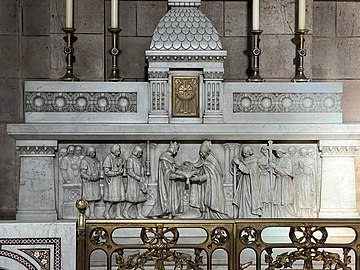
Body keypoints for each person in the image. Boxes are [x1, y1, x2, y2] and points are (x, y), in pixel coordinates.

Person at [190, 140, 227, 219]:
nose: (201, 154)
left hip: (213, 185)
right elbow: (201, 169)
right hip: (206, 185)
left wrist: (199, 178)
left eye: (202, 152)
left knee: (211, 199)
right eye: (200, 152)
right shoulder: (205, 160)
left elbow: (211, 175)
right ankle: (206, 214)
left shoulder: (212, 161)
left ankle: (215, 215)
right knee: (205, 198)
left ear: (207, 152)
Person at [148, 141, 185, 218]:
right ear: (172, 148)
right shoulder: (164, 157)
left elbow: (174, 168)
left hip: (172, 183)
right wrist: (178, 176)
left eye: (177, 149)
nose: (176, 151)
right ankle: (156, 214)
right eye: (176, 149)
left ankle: (170, 214)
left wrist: (181, 169)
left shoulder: (170, 158)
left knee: (172, 198)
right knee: (166, 199)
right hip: (166, 183)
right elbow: (167, 173)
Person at [232, 145, 262, 218]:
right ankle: (243, 215)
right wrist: (235, 167)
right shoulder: (243, 160)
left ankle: (251, 215)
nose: (244, 154)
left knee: (249, 200)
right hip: (243, 183)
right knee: (243, 199)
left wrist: (239, 163)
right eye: (243, 153)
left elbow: (248, 171)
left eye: (246, 153)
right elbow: (238, 172)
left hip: (251, 184)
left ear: (249, 152)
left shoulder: (254, 160)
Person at [270, 147, 295, 217]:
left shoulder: (287, 160)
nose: (278, 154)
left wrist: (275, 167)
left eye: (279, 153)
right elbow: (276, 171)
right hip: (279, 181)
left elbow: (288, 171)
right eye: (277, 153)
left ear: (282, 152)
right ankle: (279, 216)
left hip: (285, 181)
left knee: (285, 199)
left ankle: (289, 215)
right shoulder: (277, 160)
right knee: (278, 199)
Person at [102, 144, 126, 219]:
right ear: (114, 151)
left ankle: (118, 214)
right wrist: (116, 173)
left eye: (119, 150)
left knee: (119, 198)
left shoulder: (119, 158)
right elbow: (106, 171)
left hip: (119, 180)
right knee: (111, 199)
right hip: (112, 181)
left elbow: (122, 167)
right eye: (117, 151)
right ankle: (106, 212)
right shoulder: (108, 158)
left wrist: (122, 168)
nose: (119, 152)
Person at [124, 145, 147, 219]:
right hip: (133, 182)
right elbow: (130, 171)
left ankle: (139, 214)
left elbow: (142, 169)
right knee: (132, 198)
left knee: (140, 198)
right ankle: (125, 211)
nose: (140, 154)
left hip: (140, 182)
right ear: (136, 152)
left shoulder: (139, 160)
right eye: (139, 152)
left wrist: (143, 176)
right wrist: (138, 177)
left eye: (141, 152)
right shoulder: (130, 159)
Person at [80, 146, 103, 218]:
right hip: (88, 183)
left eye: (94, 152)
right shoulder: (84, 160)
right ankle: (84, 214)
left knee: (93, 199)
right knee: (87, 198)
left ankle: (92, 214)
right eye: (92, 152)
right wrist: (90, 177)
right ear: (88, 153)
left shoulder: (96, 160)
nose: (94, 154)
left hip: (95, 182)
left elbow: (99, 171)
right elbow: (82, 173)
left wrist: (98, 176)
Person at [257, 145, 272, 217]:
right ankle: (263, 212)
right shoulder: (260, 159)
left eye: (267, 150)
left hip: (270, 179)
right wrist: (263, 169)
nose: (266, 152)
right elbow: (258, 169)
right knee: (263, 193)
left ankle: (270, 212)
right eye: (264, 150)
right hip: (263, 178)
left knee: (269, 194)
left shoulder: (272, 159)